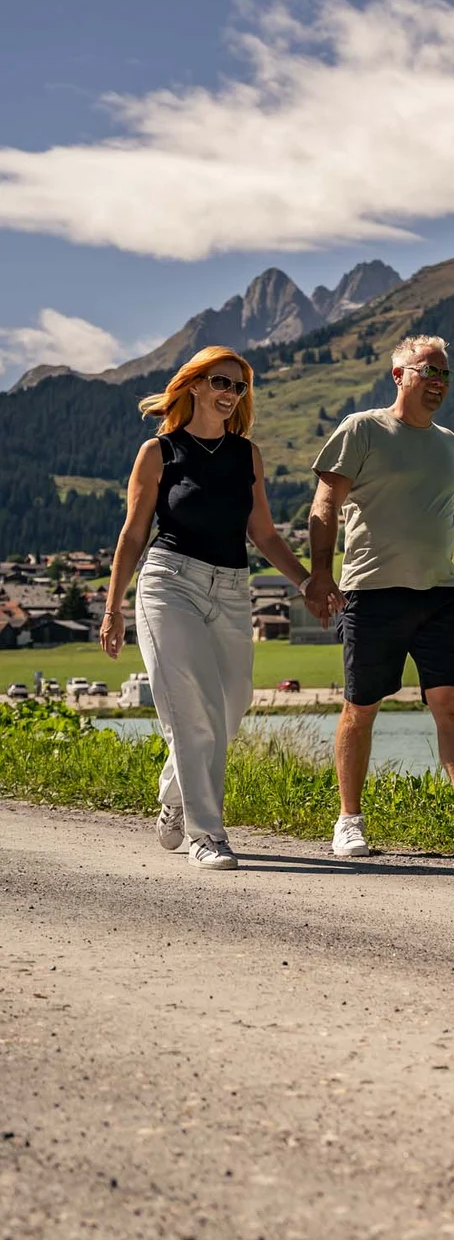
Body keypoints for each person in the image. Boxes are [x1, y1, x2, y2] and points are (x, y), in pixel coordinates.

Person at [304, 334, 454, 860]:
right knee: (361, 707)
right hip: (372, 591)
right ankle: (349, 821)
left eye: (445, 374)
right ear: (398, 375)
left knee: (451, 703)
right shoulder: (363, 428)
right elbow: (325, 503)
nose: (438, 382)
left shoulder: (448, 442)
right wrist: (319, 573)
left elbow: (439, 512)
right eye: (428, 370)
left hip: (440, 595)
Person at [99, 346, 321, 870]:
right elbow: (133, 535)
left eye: (239, 387)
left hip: (232, 587)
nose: (230, 395)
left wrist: (306, 580)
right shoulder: (160, 452)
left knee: (233, 701)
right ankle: (207, 834)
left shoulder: (248, 455)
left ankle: (175, 794)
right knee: (192, 711)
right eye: (221, 383)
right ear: (194, 384)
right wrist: (113, 608)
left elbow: (262, 532)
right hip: (169, 584)